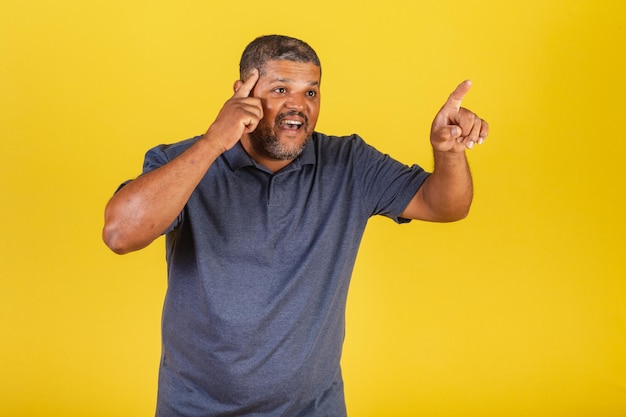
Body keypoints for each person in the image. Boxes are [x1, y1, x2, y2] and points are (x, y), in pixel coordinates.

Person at [102, 34, 488, 417]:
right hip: (194, 408)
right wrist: (214, 142)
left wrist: (448, 152)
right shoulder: (182, 161)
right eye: (282, 88)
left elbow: (445, 206)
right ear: (243, 92)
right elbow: (120, 234)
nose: (298, 106)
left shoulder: (349, 162)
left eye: (310, 93)